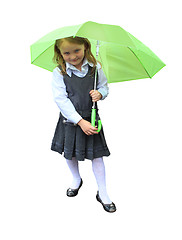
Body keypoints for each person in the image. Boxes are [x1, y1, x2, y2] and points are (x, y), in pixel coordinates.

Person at [51, 36, 116, 213]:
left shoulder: (96, 69)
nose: (72, 56)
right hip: (71, 120)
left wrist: (100, 94)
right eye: (66, 53)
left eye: (77, 51)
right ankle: (76, 179)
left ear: (85, 47)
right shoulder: (59, 72)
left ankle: (103, 192)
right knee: (69, 153)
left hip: (91, 116)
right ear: (60, 53)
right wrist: (80, 121)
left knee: (97, 155)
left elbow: (105, 87)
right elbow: (61, 99)